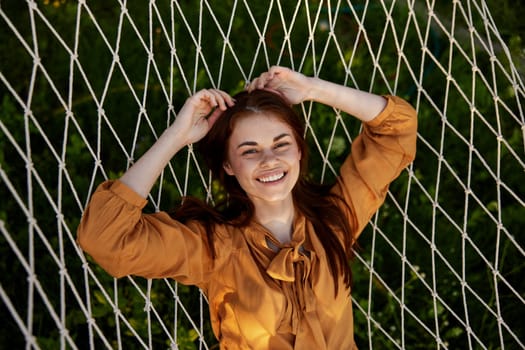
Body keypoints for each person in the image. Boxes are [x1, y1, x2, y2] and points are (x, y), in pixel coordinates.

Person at [77, 66, 417, 349]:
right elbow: (107, 239)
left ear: (299, 151)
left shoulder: (335, 219)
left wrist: (312, 89)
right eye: (250, 151)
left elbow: (396, 131)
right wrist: (176, 137)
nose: (269, 161)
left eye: (281, 144)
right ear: (227, 165)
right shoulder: (214, 247)